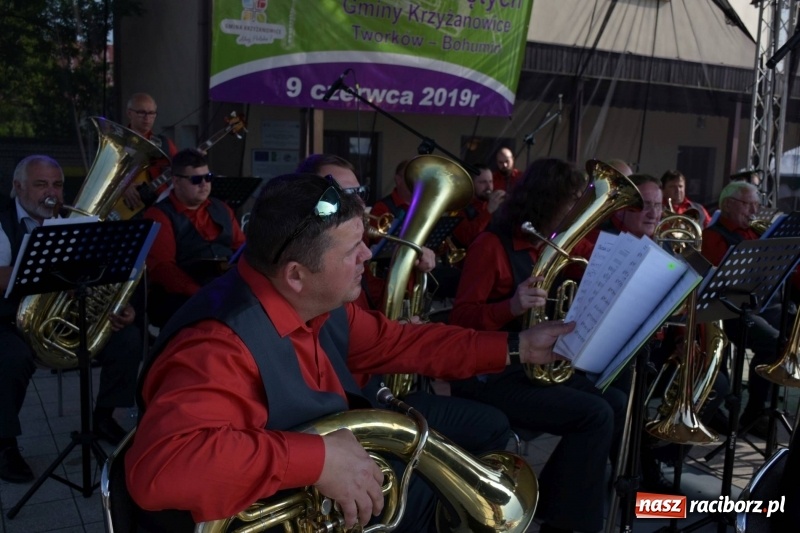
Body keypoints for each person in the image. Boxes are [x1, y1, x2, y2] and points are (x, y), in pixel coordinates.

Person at [124, 172, 574, 532]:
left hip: (308, 490)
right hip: (263, 508)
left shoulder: (320, 301)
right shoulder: (218, 345)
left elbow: (403, 342)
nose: (367, 255)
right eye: (352, 249)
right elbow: (159, 471)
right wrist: (317, 459)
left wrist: (517, 347)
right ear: (297, 274)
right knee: (432, 502)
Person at [449, 158, 627, 533]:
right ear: (547, 201)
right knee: (595, 414)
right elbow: (461, 320)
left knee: (614, 402)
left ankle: (560, 505)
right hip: (494, 375)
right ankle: (566, 522)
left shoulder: (552, 243)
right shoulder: (491, 245)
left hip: (534, 367)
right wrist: (510, 307)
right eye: (571, 201)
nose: (577, 210)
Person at [0, 155, 143, 482]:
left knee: (126, 338)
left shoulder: (76, 221)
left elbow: (101, 276)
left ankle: (103, 416)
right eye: (40, 184)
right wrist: (52, 272)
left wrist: (117, 307)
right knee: (10, 358)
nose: (51, 192)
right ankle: (4, 444)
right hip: (10, 321)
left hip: (63, 318)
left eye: (57, 184)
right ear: (18, 187)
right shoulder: (3, 222)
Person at [701, 180, 782, 439]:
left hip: (757, 305)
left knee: (787, 330)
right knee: (773, 342)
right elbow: (718, 286)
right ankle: (753, 412)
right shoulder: (714, 236)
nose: (754, 212)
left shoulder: (755, 233)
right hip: (728, 312)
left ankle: (759, 409)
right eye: (749, 205)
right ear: (728, 204)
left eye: (757, 206)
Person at [142, 148, 245, 327]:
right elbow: (163, 269)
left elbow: (242, 250)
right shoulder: (159, 215)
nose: (204, 184)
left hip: (222, 289)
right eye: (196, 179)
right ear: (176, 181)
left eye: (208, 177)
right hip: (179, 297)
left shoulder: (222, 209)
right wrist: (201, 294)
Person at [121, 92, 178, 212]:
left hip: (160, 208)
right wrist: (121, 186)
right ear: (129, 113)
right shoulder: (116, 141)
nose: (147, 118)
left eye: (151, 113)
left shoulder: (165, 144)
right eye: (141, 112)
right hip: (124, 207)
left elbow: (181, 166)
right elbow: (102, 177)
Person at [451, 163, 506, 249]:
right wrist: (488, 211)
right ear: (471, 183)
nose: (489, 187)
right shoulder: (460, 208)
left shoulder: (492, 203)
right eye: (483, 182)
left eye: (490, 181)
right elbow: (467, 239)